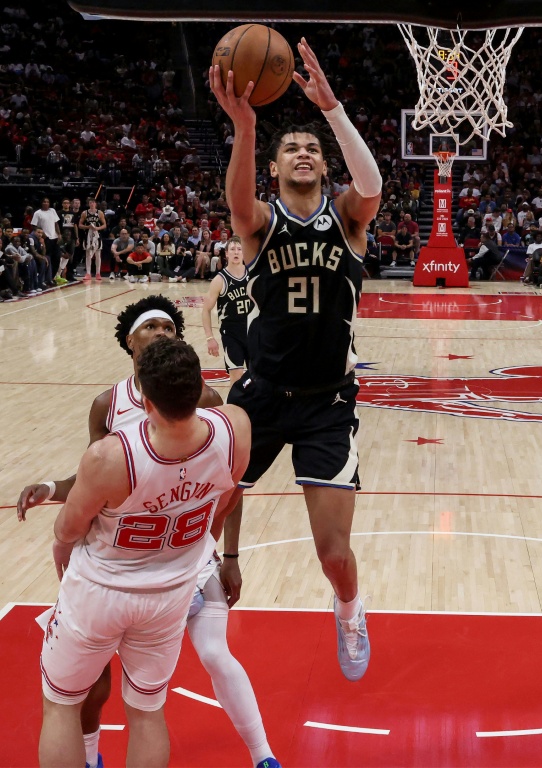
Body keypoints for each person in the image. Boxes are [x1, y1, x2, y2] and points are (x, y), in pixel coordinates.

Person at [18, 295, 278, 768]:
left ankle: (263, 752)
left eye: (167, 326)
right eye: (150, 326)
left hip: (110, 582)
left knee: (61, 704)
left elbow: (73, 520)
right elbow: (231, 486)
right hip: (169, 587)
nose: (161, 332)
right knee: (146, 711)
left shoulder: (114, 454)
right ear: (129, 344)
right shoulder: (234, 425)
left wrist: (223, 554)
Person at [210, 36, 382, 682]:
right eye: (293, 148)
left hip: (328, 404)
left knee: (334, 553)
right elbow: (235, 201)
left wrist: (332, 112)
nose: (304, 153)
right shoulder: (258, 223)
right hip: (261, 392)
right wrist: (248, 127)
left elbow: (373, 182)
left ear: (323, 165)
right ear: (276, 168)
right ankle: (202, 589)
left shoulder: (348, 218)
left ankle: (349, 609)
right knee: (211, 505)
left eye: (312, 149)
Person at [202, 236, 250, 385]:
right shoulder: (219, 280)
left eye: (239, 249)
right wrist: (210, 338)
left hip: (254, 331)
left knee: (258, 377)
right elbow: (206, 310)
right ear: (226, 254)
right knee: (236, 377)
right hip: (231, 334)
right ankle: (235, 407)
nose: (236, 252)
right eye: (233, 249)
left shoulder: (253, 273)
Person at [79, 198, 107, 281]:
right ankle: (88, 273)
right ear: (88, 204)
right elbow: (80, 225)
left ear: (96, 204)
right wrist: (88, 227)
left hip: (97, 235)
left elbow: (104, 225)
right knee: (88, 254)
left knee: (98, 255)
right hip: (88, 235)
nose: (92, 204)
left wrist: (97, 228)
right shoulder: (85, 213)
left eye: (93, 203)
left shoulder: (100, 213)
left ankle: (98, 273)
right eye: (90, 203)